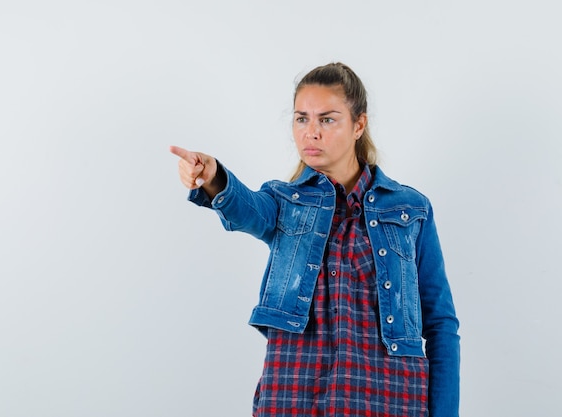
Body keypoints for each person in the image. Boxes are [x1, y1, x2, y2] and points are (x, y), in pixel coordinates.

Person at [170, 62, 460, 417]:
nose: (311, 132)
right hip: (294, 395)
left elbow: (440, 324)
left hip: (391, 397)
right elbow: (247, 208)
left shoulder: (411, 209)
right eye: (301, 118)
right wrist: (213, 177)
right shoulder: (284, 202)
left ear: (359, 125)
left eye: (327, 119)